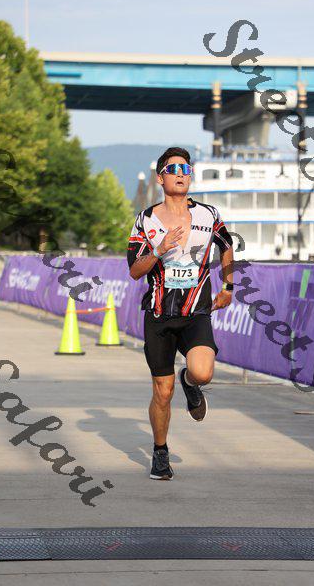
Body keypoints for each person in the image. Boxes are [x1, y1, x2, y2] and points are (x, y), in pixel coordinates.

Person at [127, 147, 234, 480]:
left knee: (203, 372)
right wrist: (158, 251)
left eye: (185, 169)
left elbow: (227, 246)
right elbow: (134, 270)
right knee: (162, 392)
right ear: (160, 178)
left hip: (196, 312)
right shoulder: (145, 220)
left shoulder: (209, 215)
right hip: (159, 315)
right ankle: (160, 452)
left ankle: (190, 382)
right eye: (173, 169)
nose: (180, 174)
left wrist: (228, 286)